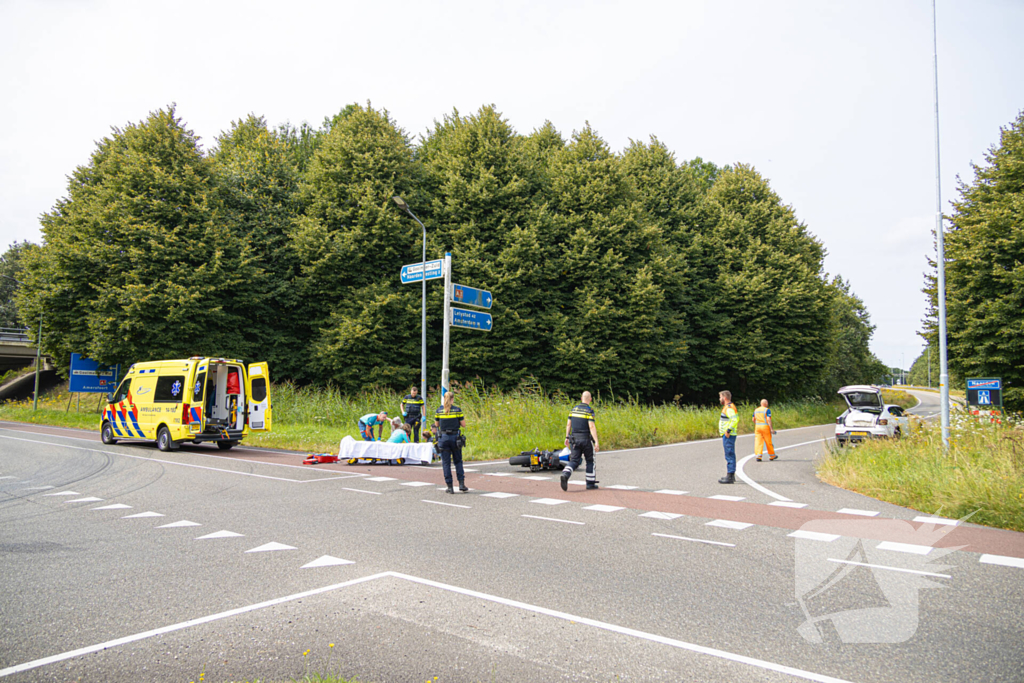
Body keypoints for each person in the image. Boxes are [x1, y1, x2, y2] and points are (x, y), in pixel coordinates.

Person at [560, 391, 600, 491]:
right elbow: (591, 426)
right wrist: (596, 441)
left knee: (574, 461)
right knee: (590, 460)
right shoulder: (589, 411)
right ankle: (590, 483)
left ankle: (565, 473)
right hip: (585, 440)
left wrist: (567, 437)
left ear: (581, 398)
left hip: (574, 440)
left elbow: (568, 424)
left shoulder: (573, 410)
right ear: (590, 399)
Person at [433, 391, 467, 493]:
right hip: (455, 438)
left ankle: (450, 487)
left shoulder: (439, 410)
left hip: (443, 438)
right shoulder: (457, 410)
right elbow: (463, 424)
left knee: (446, 463)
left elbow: (436, 424)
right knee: (458, 461)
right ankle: (461, 484)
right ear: (452, 399)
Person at [718, 390, 739, 484]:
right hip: (727, 435)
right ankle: (730, 475)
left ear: (724, 398)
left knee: (729, 454)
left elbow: (735, 420)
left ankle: (730, 476)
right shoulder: (727, 407)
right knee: (729, 454)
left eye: (720, 397)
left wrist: (728, 430)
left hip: (728, 435)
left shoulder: (729, 408)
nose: (719, 399)